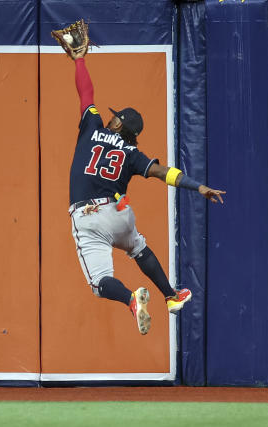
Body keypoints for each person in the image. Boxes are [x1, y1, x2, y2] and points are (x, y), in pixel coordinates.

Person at [66, 45, 225, 335]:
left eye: (115, 116)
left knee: (100, 283)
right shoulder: (131, 152)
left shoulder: (92, 126)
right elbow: (163, 173)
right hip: (119, 213)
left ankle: (130, 299)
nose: (111, 117)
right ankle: (171, 295)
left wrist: (79, 60)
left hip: (88, 216)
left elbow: (86, 93)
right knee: (137, 247)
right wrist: (197, 185)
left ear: (116, 123)